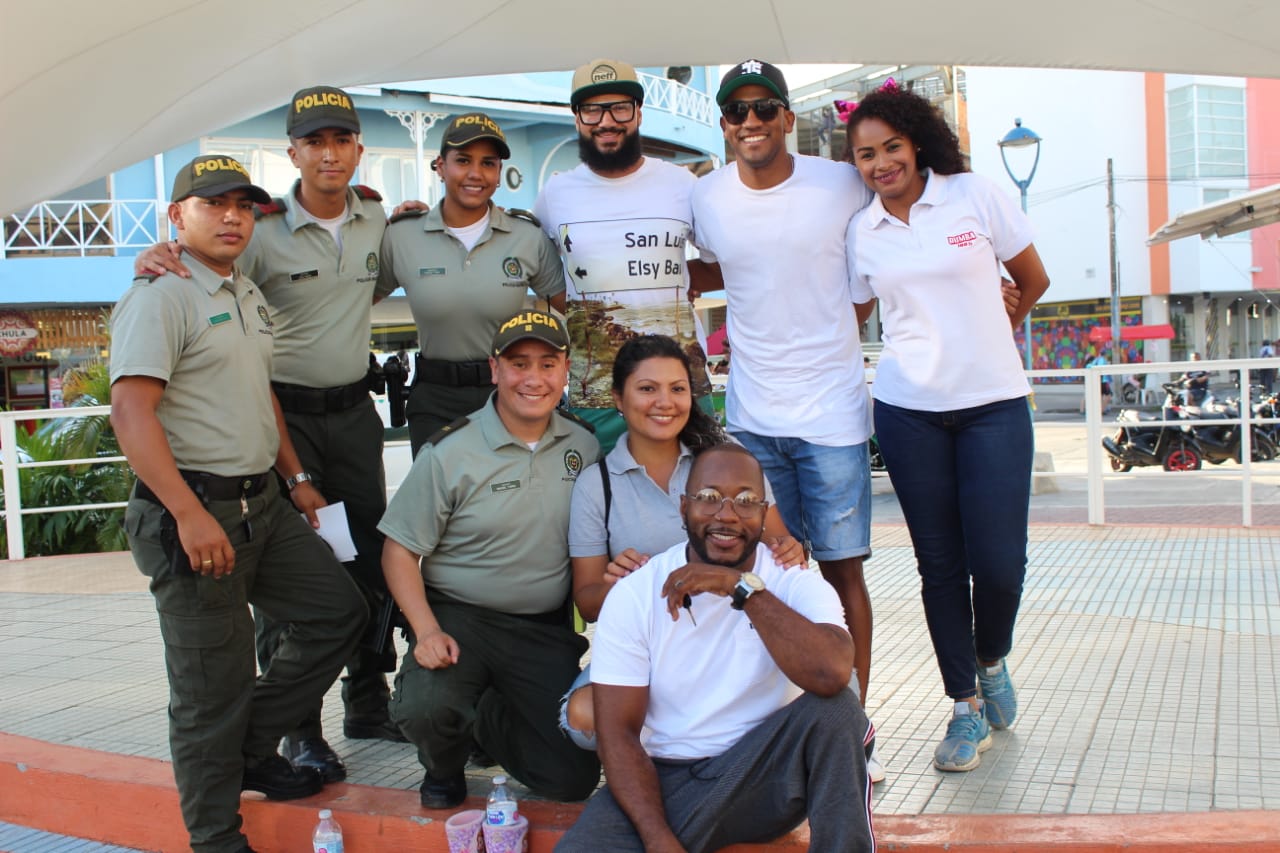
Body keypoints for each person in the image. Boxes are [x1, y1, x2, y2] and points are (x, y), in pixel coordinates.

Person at [134, 86, 403, 783]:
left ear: (358, 149)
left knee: (364, 559)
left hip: (353, 415)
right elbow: (205, 280)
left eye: (340, 139)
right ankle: (298, 734)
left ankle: (368, 702)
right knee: (292, 579)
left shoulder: (378, 219)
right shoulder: (259, 227)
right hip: (284, 420)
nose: (329, 154)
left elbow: (373, 288)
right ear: (293, 153)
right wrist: (160, 253)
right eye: (314, 142)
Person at [110, 154, 367, 853]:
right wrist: (188, 513)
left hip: (264, 503)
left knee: (338, 612)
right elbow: (131, 412)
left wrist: (296, 476)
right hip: (196, 509)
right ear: (176, 215)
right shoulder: (161, 295)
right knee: (210, 689)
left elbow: (259, 394)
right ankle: (217, 838)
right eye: (213, 204)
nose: (232, 217)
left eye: (243, 206)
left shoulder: (244, 289)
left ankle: (249, 747)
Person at [844, 84, 1050, 772]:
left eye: (891, 147)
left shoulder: (973, 195)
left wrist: (1002, 322)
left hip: (994, 403)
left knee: (999, 562)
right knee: (939, 566)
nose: (881, 163)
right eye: (866, 155)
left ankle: (991, 658)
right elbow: (852, 313)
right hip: (908, 411)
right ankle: (964, 706)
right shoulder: (863, 231)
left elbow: (1033, 277)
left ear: (917, 143)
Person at [689, 59, 883, 779]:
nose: (751, 121)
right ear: (724, 124)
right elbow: (717, 266)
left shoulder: (841, 182)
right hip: (752, 418)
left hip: (832, 415)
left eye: (765, 107)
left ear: (786, 117)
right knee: (761, 568)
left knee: (840, 569)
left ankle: (854, 726)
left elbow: (886, 242)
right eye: (737, 111)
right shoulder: (707, 197)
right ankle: (777, 728)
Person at [554, 444, 875, 853]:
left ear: (764, 513)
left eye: (746, 501)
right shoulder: (635, 592)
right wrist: (658, 840)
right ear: (683, 507)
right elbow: (618, 734)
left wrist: (741, 590)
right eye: (708, 497)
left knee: (836, 712)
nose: (727, 514)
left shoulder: (793, 581)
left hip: (762, 776)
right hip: (665, 781)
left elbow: (833, 673)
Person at [380, 308, 602, 809]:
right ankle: (443, 763)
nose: (534, 378)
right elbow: (399, 550)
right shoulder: (449, 451)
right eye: (519, 364)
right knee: (427, 708)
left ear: (566, 371)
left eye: (548, 364)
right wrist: (426, 631)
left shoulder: (584, 444)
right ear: (495, 369)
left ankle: (484, 713)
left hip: (541, 630)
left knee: (569, 780)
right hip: (462, 619)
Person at [560, 334, 804, 748]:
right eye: (647, 388)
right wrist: (621, 584)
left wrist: (790, 549)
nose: (665, 402)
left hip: (736, 637)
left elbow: (782, 550)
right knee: (582, 718)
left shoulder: (726, 457)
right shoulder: (596, 485)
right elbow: (587, 602)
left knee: (828, 690)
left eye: (677, 389)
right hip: (653, 649)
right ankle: (668, 761)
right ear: (618, 398)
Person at [534, 58, 718, 455]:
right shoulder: (556, 194)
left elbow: (721, 262)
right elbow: (540, 274)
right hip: (597, 391)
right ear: (577, 117)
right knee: (600, 491)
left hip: (681, 384)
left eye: (620, 108)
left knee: (697, 487)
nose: (606, 121)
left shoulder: (682, 184)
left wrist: (673, 282)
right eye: (592, 110)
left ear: (638, 112)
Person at [378, 112, 565, 454]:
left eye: (488, 163)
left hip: (509, 395)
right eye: (463, 160)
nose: (476, 174)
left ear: (498, 173)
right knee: (437, 489)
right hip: (435, 400)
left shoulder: (526, 236)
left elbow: (574, 311)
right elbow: (353, 298)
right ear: (440, 166)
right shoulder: (402, 235)